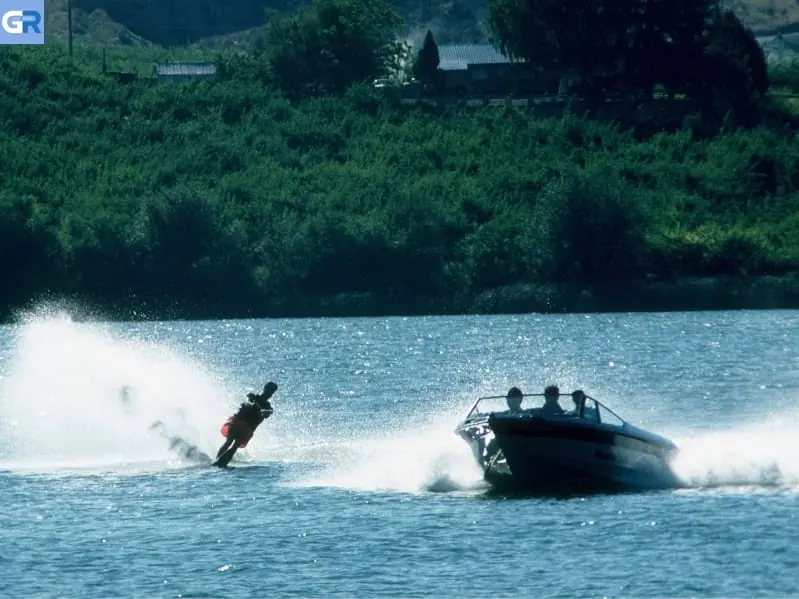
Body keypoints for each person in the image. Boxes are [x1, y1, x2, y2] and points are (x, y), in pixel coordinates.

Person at [214, 381, 278, 466]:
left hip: (247, 428)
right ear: (264, 389)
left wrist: (263, 411)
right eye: (268, 391)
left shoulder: (268, 407)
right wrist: (252, 400)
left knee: (234, 446)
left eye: (271, 392)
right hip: (237, 422)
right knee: (228, 442)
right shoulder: (253, 397)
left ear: (273, 393)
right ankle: (217, 460)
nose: (269, 393)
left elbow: (266, 414)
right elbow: (248, 398)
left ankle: (221, 463)